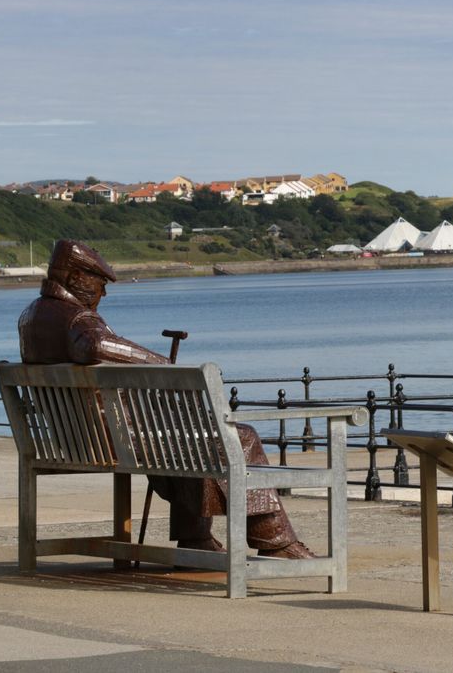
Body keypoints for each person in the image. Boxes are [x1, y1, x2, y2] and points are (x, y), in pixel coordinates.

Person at [18, 239, 313, 559]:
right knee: (239, 437)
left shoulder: (31, 316)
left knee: (193, 436)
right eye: (100, 282)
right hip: (112, 442)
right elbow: (94, 345)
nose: (103, 293)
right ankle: (276, 542)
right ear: (76, 279)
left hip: (73, 440)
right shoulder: (78, 318)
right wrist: (166, 367)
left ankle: (196, 540)